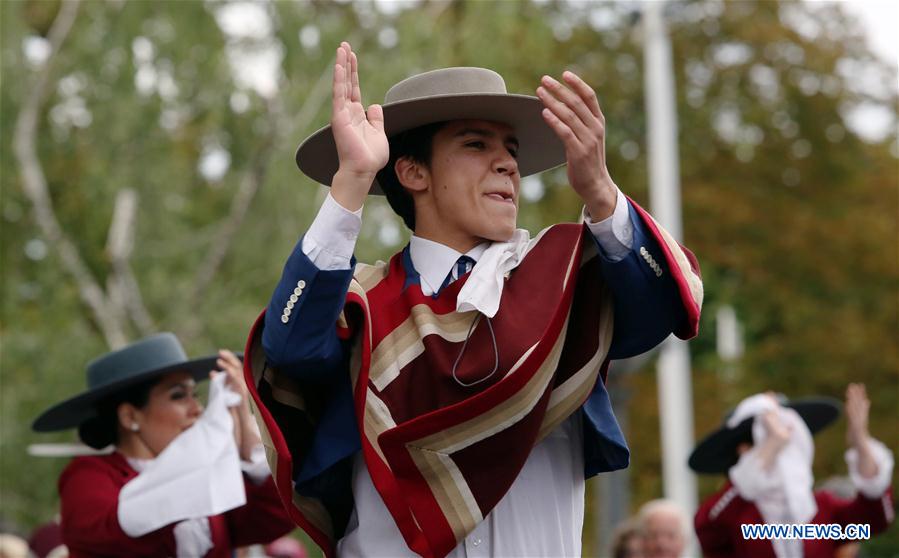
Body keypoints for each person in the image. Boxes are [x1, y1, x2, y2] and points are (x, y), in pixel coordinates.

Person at [244, 42, 702, 558]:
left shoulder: (567, 278)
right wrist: (350, 180)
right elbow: (290, 346)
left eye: (511, 148)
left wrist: (599, 190)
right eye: (476, 144)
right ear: (413, 172)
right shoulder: (361, 302)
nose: (508, 162)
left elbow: (667, 308)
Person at [31, 333, 294, 558]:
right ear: (130, 416)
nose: (197, 409)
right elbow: (116, 534)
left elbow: (273, 518)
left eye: (196, 395)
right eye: (179, 396)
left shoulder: (200, 474)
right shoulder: (88, 476)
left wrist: (247, 435)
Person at [690, 385, 894, 558]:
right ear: (744, 451)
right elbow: (709, 532)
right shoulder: (735, 511)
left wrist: (860, 442)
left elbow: (874, 518)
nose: (788, 451)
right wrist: (771, 446)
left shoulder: (818, 510)